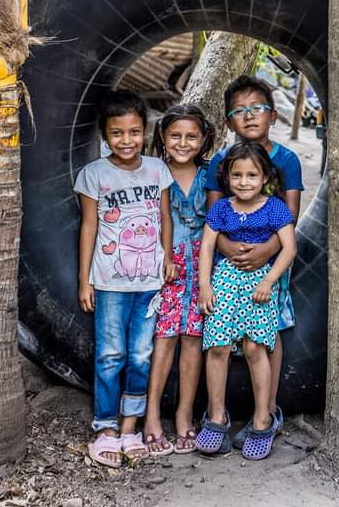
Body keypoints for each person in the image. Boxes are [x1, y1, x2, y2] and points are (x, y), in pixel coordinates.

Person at [75, 90, 174, 468]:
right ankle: (105, 428)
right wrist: (85, 280)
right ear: (104, 134)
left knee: (141, 354)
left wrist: (166, 258)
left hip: (149, 281)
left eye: (134, 132)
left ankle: (130, 426)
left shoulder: (157, 170)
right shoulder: (94, 175)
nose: (127, 140)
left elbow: (165, 218)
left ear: (144, 131)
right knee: (110, 354)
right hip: (110, 282)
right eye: (117, 133)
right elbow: (89, 227)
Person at [203, 75, 304, 446]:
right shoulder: (221, 161)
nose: (249, 116)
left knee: (266, 333)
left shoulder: (286, 159)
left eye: (257, 108)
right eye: (239, 111)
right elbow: (213, 215)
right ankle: (217, 413)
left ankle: (267, 413)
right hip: (228, 263)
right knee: (222, 334)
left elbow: (289, 216)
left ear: (272, 115)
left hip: (271, 262)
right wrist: (227, 249)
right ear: (229, 121)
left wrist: (265, 253)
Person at [195, 142, 297, 460]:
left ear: (264, 175)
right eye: (237, 175)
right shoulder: (222, 208)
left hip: (260, 283)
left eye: (252, 175)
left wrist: (269, 280)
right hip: (224, 280)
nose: (244, 181)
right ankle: (215, 417)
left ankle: (262, 419)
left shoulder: (276, 208)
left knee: (255, 347)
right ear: (228, 178)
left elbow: (289, 249)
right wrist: (204, 286)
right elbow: (207, 246)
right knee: (218, 346)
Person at [141, 104, 216, 456]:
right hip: (165, 267)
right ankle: (152, 413)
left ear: (203, 141)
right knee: (164, 337)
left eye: (191, 136)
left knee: (192, 337)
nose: (183, 143)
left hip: (202, 269)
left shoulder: (211, 176)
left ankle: (184, 413)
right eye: (175, 136)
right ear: (162, 137)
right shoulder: (152, 173)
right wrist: (162, 257)